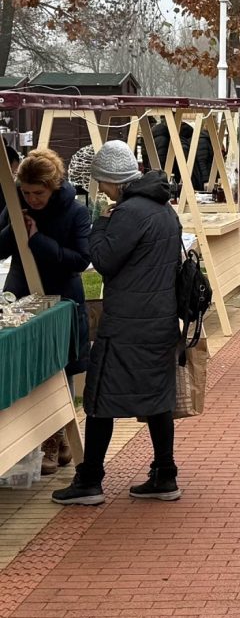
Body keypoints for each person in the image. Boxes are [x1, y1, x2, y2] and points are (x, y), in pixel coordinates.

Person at [51, 141, 182, 505]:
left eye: (102, 183)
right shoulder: (163, 208)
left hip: (126, 322)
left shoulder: (127, 213)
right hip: (160, 317)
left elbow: (104, 259)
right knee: (157, 399)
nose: (102, 190)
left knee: (99, 398)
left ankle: (90, 479)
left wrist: (100, 223)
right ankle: (165, 474)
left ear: (112, 180)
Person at [0, 148, 90, 475]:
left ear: (53, 187)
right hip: (22, 294)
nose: (32, 199)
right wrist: (16, 228)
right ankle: (49, 439)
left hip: (62, 296)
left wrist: (37, 240)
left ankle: (57, 439)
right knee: (27, 369)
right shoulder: (16, 205)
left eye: (38, 193)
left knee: (59, 369)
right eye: (26, 192)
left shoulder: (76, 212)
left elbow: (80, 259)